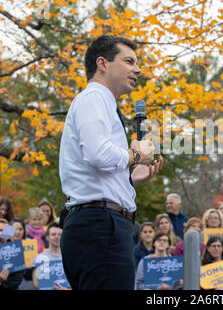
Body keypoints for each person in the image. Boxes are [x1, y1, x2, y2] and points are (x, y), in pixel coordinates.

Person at [59, 35, 163, 290]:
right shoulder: (93, 99)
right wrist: (135, 155)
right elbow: (99, 155)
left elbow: (96, 165)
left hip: (101, 226)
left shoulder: (102, 103)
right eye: (129, 61)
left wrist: (128, 178)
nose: (137, 69)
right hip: (100, 228)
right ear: (103, 63)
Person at [31, 222, 68, 290]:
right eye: (53, 234)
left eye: (60, 234)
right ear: (47, 237)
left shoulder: (69, 257)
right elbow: (36, 284)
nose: (57, 237)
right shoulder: (39, 258)